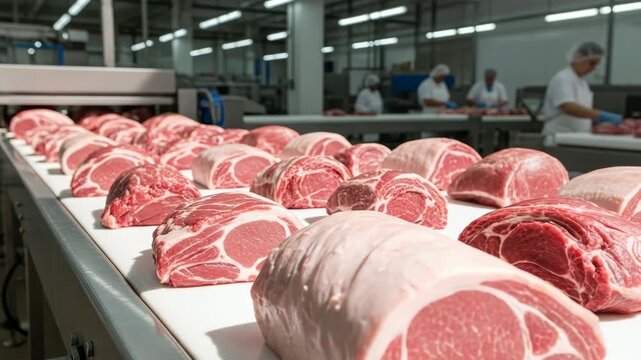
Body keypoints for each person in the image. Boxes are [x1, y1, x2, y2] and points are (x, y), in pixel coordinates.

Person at [541, 41, 622, 139]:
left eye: (596, 64)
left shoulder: (581, 81)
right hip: (558, 135)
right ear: (578, 59)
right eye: (592, 63)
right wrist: (601, 116)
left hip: (576, 136)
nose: (594, 68)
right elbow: (568, 106)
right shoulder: (563, 78)